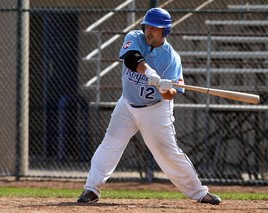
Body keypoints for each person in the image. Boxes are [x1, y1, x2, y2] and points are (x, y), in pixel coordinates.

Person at [77, 8, 221, 205]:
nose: (149, 31)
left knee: (167, 153)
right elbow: (131, 59)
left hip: (155, 109)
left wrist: (165, 88)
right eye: (148, 27)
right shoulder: (135, 37)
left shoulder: (172, 58)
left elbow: (171, 95)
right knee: (110, 144)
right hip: (127, 104)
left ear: (165, 31)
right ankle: (91, 189)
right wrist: (149, 72)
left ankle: (199, 192)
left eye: (155, 28)